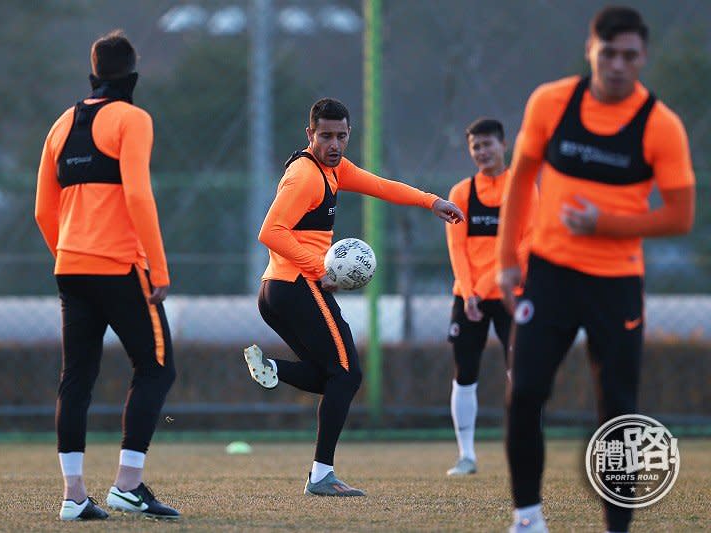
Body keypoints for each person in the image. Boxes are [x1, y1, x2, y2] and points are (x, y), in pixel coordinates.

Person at [496, 7, 695, 533]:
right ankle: (527, 517)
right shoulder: (551, 102)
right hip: (549, 275)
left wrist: (602, 222)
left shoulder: (660, 125)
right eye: (608, 54)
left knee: (619, 412)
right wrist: (505, 263)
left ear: (643, 58)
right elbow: (520, 182)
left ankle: (618, 528)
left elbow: (680, 216)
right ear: (590, 50)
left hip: (617, 285)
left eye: (629, 56)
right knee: (525, 393)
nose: (617, 66)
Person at [243, 97, 465, 497]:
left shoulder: (335, 169)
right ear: (309, 134)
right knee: (347, 375)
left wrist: (432, 201)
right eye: (325, 136)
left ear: (349, 135)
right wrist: (321, 266)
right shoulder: (305, 176)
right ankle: (321, 476)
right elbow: (270, 231)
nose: (334, 144)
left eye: (340, 136)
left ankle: (274, 370)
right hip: (297, 285)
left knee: (336, 376)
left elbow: (381, 186)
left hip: (278, 289)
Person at [35, 30, 179, 521]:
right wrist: (157, 269)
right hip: (119, 266)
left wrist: (69, 252)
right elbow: (138, 196)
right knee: (157, 367)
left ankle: (73, 496)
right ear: (132, 78)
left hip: (70, 267)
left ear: (93, 76)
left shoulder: (59, 126)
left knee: (76, 378)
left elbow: (41, 211)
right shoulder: (133, 119)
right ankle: (127, 484)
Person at [444, 118, 536, 476]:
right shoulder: (461, 193)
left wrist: (483, 288)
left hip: (512, 295)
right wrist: (469, 293)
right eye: (475, 147)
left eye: (488, 145)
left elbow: (527, 244)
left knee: (523, 373)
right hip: (468, 298)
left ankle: (526, 449)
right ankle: (466, 455)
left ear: (503, 144)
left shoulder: (524, 187)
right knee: (465, 373)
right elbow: (457, 250)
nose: (482, 152)